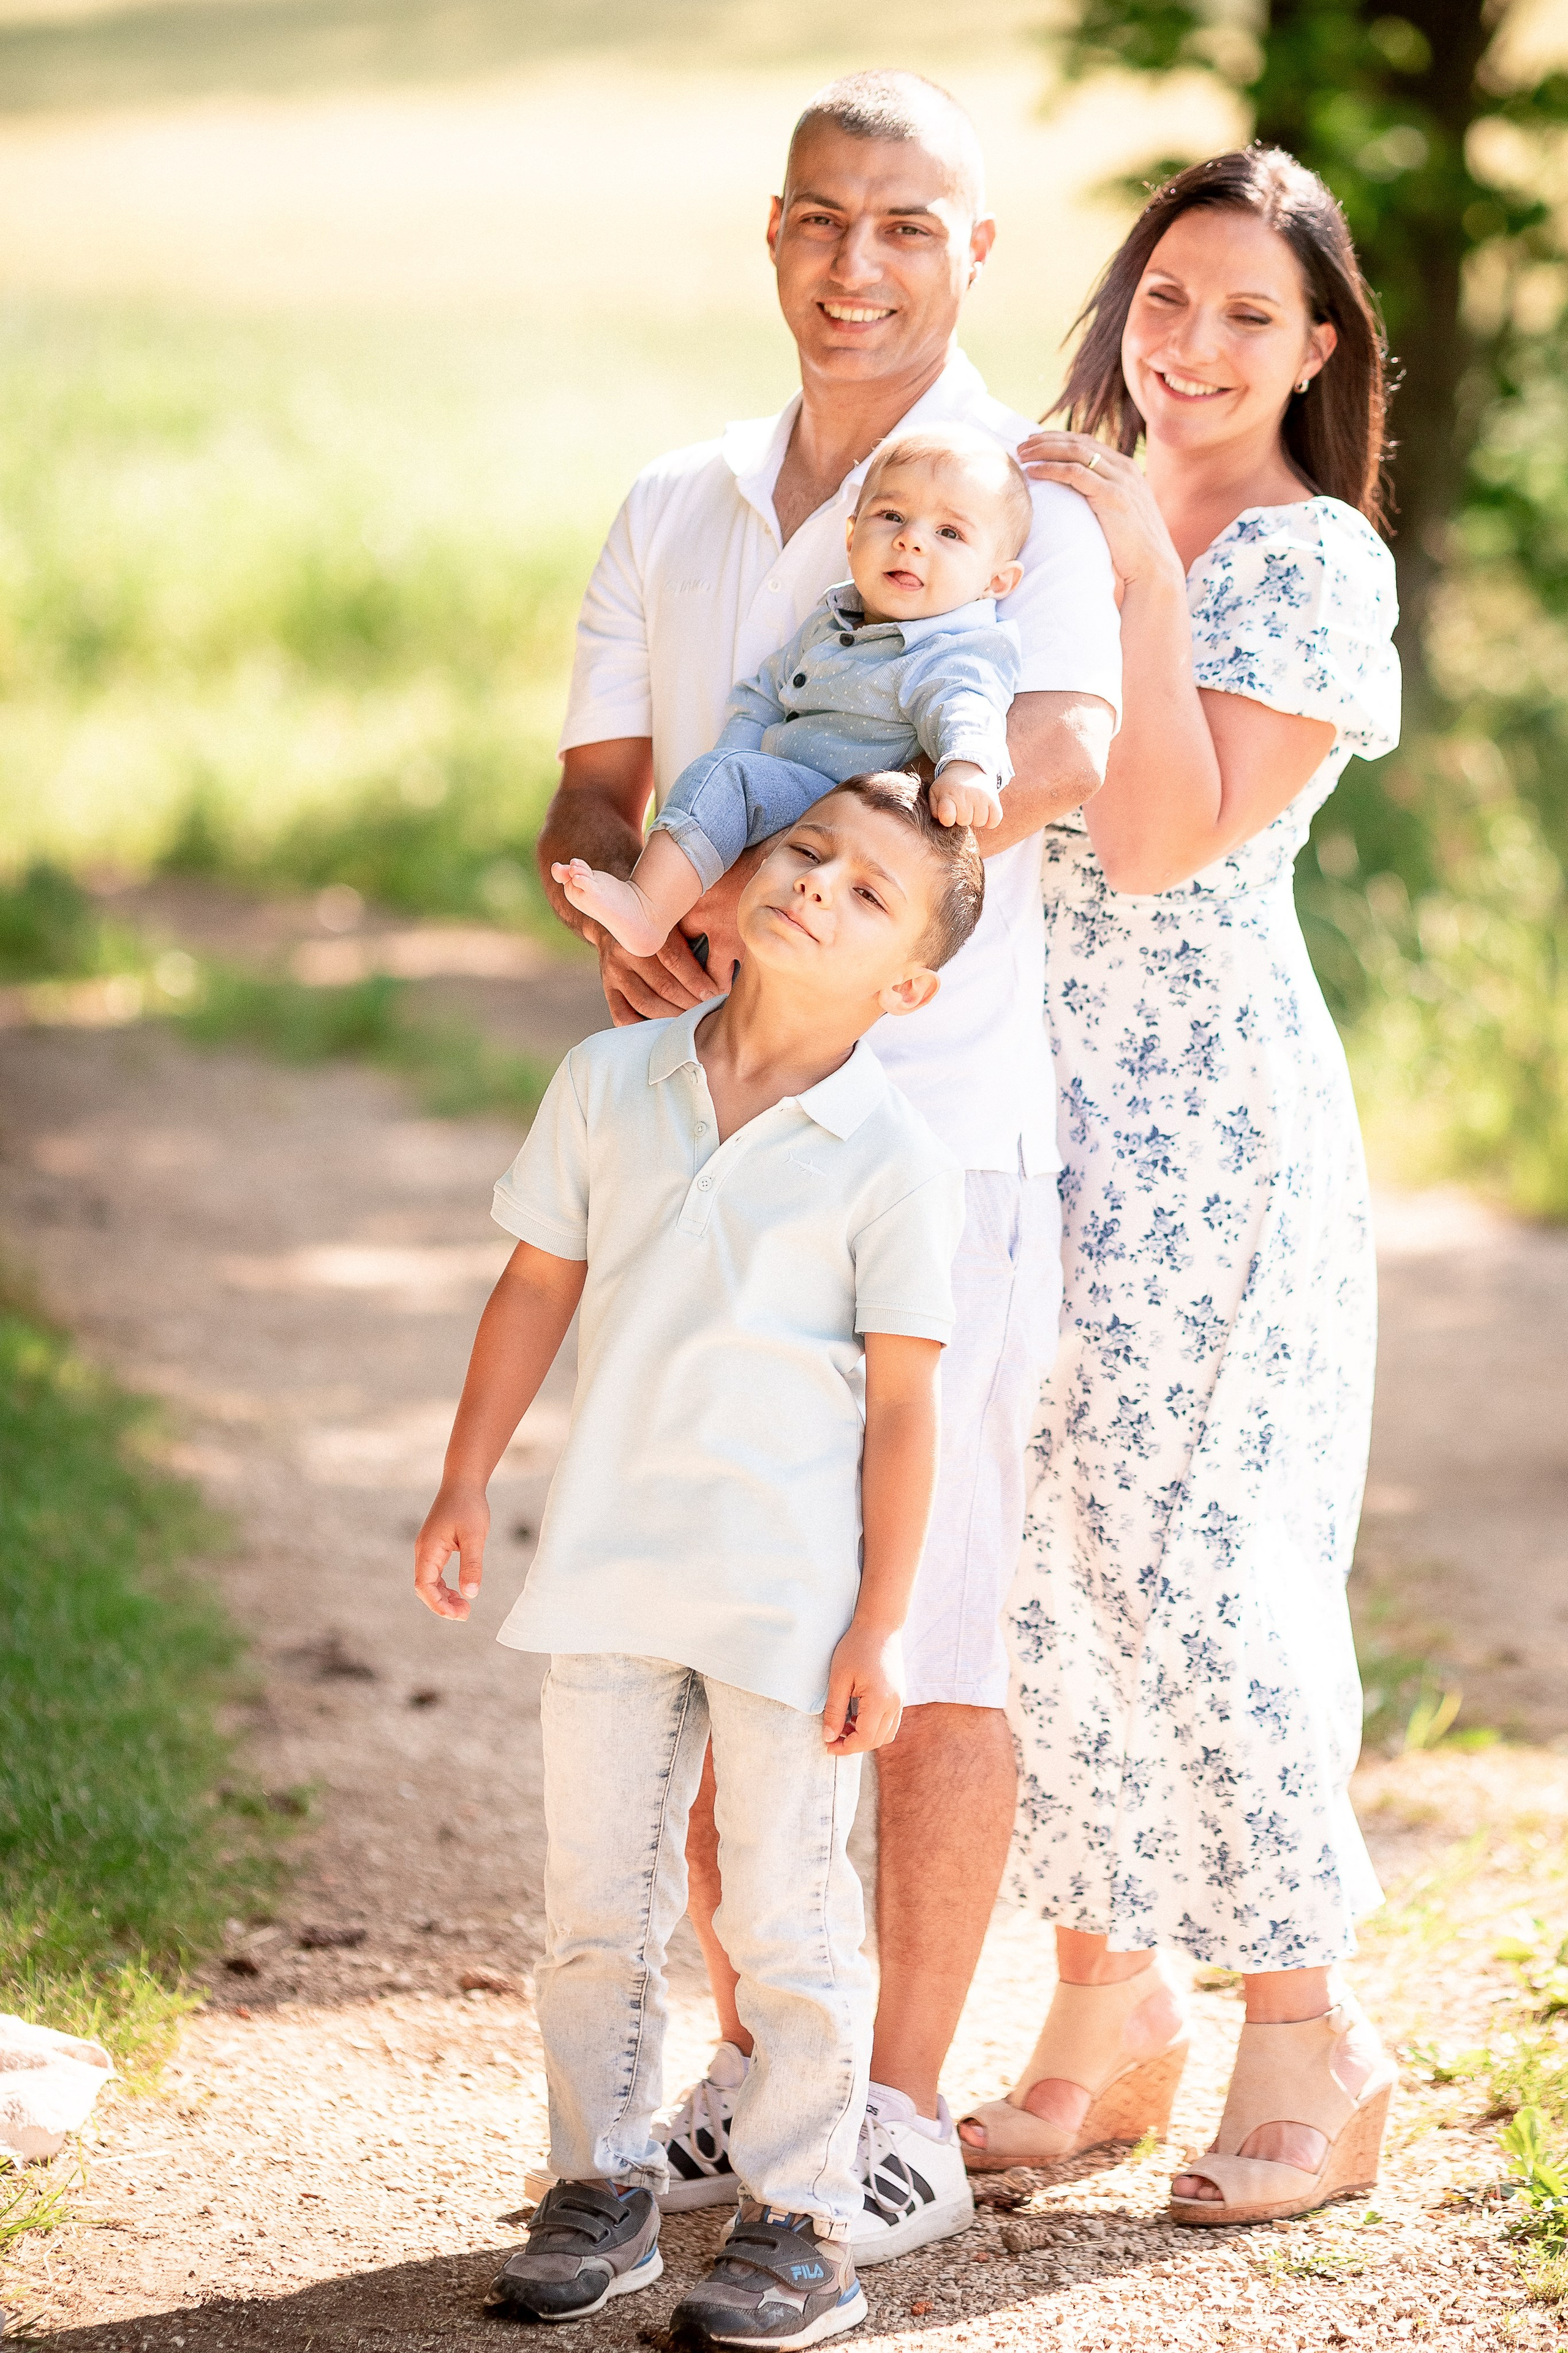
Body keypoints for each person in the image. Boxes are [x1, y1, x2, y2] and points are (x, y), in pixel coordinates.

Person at [534, 68, 1120, 2259]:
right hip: (706, 1148)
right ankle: (758, 2055)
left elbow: (1048, 752)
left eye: (905, 226)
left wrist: (799, 872)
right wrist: (620, 893)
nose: (853, 264)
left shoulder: (1014, 499)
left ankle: (889, 2109)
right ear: (769, 238)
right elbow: (595, 788)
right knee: (725, 1621)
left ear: (974, 254)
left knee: (928, 1630)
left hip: (933, 1153)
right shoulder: (676, 502)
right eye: (816, 220)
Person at [956, 148, 1402, 2229]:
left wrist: (1135, 571)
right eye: (1165, 298)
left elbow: (1154, 842)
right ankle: (1104, 2009)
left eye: (1246, 314)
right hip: (1014, 1097)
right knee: (1038, 1561)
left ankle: (1315, 2036)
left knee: (1211, 1569)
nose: (1193, 345)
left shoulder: (1309, 562)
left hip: (1210, 1121)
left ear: (1319, 350)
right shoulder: (1043, 504)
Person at [414, 774, 979, 2346]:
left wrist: (881, 1624)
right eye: (804, 851)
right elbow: (531, 1288)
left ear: (908, 983)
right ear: (732, 880)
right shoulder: (607, 1080)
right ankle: (601, 2184)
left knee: (786, 1917)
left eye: (871, 892)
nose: (817, 886)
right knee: (596, 1900)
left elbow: (906, 1410)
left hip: (789, 1606)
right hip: (607, 1567)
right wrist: (465, 1480)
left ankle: (801, 2222)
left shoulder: (891, 1155)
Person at [552, 426, 1031, 957]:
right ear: (851, 537)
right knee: (724, 776)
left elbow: (967, 705)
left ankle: (647, 909)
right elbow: (765, 691)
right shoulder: (833, 619)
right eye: (892, 516)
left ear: (997, 581)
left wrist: (967, 766)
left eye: (950, 533)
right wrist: (734, 755)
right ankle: (665, 901)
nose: (911, 539)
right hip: (784, 793)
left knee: (727, 779)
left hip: (842, 809)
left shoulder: (953, 648)